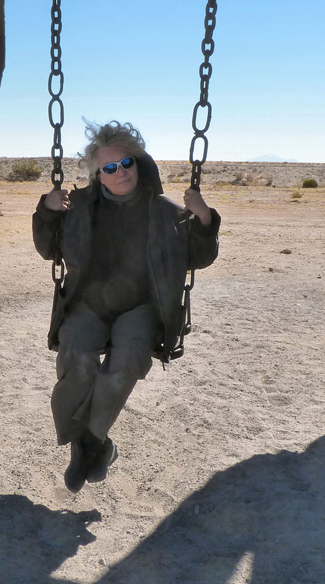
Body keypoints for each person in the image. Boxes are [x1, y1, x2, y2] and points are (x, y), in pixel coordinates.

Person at [32, 120, 220, 492]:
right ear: (98, 175)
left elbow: (197, 256)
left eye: (127, 164)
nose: (121, 173)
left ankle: (88, 443)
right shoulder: (79, 207)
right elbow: (50, 248)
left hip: (141, 307)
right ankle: (91, 442)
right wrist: (48, 210)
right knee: (77, 358)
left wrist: (204, 218)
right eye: (110, 168)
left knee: (129, 356)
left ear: (138, 163)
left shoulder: (165, 211)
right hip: (89, 304)